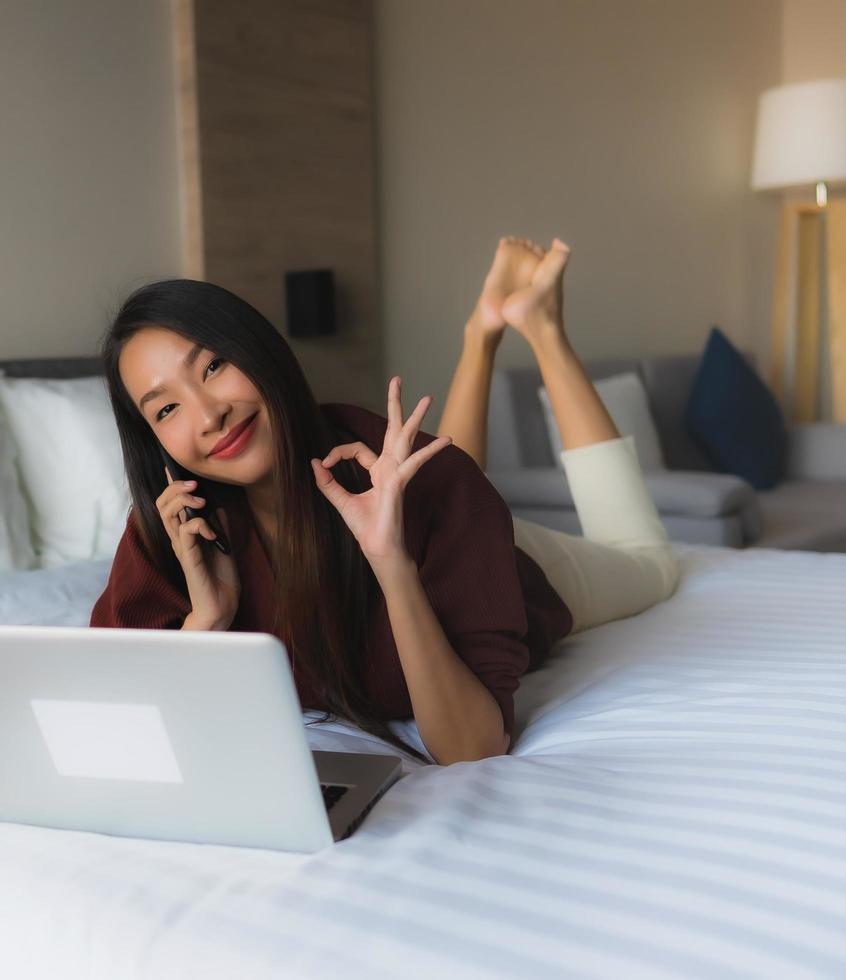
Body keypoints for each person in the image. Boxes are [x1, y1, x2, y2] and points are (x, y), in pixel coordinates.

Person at [88, 237, 679, 765]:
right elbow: (124, 720)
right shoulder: (180, 529)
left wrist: (392, 564)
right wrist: (207, 620)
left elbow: (472, 748)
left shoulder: (446, 491)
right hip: (435, 518)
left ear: (260, 350)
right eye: (166, 408)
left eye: (213, 366)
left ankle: (541, 327)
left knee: (650, 563)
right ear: (152, 441)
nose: (209, 414)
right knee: (427, 478)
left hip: (514, 563)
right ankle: (482, 332)